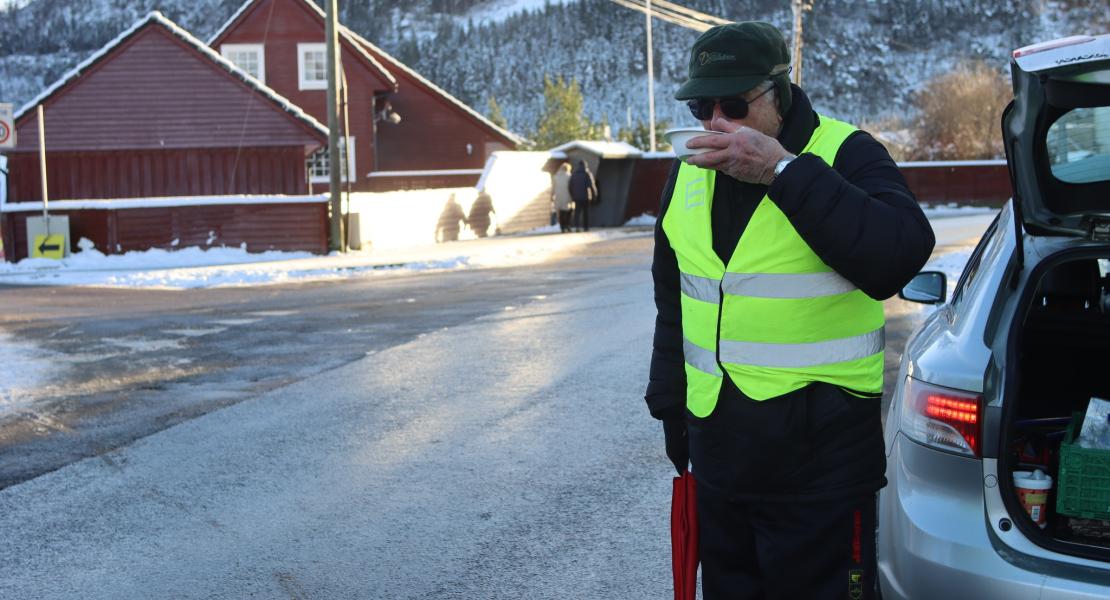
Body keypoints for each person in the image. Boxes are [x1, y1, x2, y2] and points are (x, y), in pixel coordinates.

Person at [645, 22, 935, 600]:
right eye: (703, 107)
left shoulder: (845, 152)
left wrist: (782, 170)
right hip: (721, 460)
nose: (716, 124)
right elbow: (676, 301)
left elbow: (896, 255)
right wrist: (672, 409)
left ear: (779, 94)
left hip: (819, 471)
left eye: (734, 105)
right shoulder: (687, 173)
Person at [569, 159, 597, 232]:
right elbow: (591, 185)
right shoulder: (587, 173)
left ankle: (577, 227)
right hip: (586, 197)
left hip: (576, 197)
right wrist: (595, 194)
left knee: (577, 213)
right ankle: (586, 227)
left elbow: (570, 186)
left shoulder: (574, 174)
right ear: (585, 165)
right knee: (586, 213)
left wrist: (572, 195)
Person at [552, 162, 574, 233]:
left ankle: (562, 227)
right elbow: (572, 187)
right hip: (568, 196)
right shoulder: (569, 176)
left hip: (558, 197)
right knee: (568, 212)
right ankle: (567, 226)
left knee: (561, 213)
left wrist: (552, 196)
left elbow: (553, 187)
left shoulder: (556, 176)